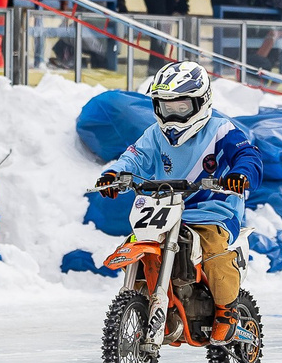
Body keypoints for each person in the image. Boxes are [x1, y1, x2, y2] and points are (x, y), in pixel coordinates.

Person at [91, 62, 261, 343]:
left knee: (214, 252)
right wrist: (114, 175)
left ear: (201, 102)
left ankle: (226, 312)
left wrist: (239, 175)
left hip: (212, 211)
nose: (172, 115)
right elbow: (134, 157)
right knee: (138, 240)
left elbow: (247, 156)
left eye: (181, 107)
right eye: (165, 107)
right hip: (164, 208)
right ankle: (150, 302)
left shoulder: (221, 130)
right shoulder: (155, 135)